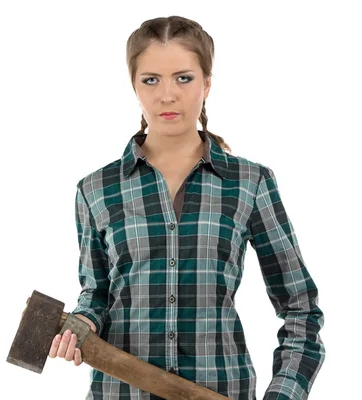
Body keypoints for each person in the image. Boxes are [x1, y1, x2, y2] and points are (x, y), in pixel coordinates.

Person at [48, 15, 325, 400]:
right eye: (151, 80)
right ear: (134, 86)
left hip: (223, 389)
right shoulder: (96, 189)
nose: (167, 95)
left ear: (207, 83)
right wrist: (81, 323)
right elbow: (96, 293)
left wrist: (284, 394)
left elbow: (301, 311)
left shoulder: (250, 183)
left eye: (183, 78)